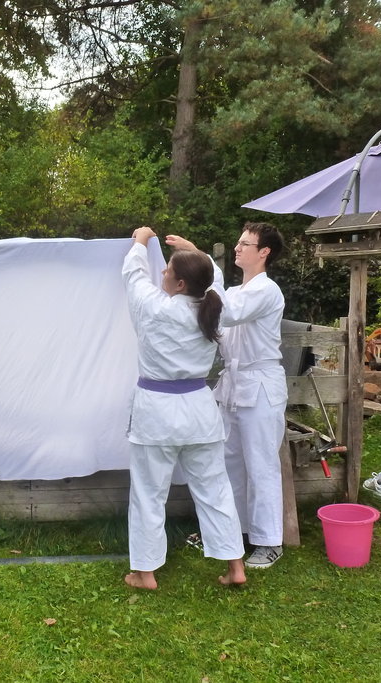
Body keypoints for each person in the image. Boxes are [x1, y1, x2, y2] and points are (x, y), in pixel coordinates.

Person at [122, 226, 246, 590]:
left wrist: (140, 241)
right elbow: (214, 279)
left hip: (156, 414)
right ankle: (235, 567)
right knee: (215, 489)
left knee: (148, 493)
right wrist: (195, 251)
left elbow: (133, 275)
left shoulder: (153, 307)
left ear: (179, 285)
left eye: (169, 270)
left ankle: (145, 573)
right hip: (198, 412)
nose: (162, 271)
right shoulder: (214, 307)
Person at [167, 222, 287, 569]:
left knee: (261, 465)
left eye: (245, 244)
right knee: (227, 463)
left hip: (260, 385)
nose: (238, 248)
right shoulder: (236, 290)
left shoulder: (266, 290)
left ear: (264, 252)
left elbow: (227, 313)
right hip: (233, 385)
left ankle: (268, 541)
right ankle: (230, 533)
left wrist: (199, 257)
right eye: (238, 242)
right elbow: (216, 313)